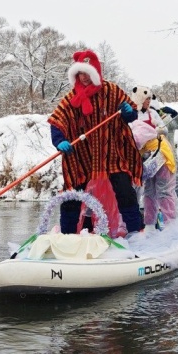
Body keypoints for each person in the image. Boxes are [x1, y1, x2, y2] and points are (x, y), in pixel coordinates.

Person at [48, 49, 144, 236]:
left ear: (96, 73)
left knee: (125, 191)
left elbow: (132, 114)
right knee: (71, 195)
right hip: (81, 154)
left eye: (87, 73)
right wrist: (60, 141)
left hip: (112, 152)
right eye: (80, 73)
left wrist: (127, 112)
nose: (83, 77)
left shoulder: (112, 91)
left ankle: (136, 232)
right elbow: (57, 121)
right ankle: (67, 237)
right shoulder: (71, 99)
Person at [130, 120, 178, 229]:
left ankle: (170, 226)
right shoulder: (137, 127)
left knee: (163, 192)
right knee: (150, 192)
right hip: (154, 157)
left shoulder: (133, 132)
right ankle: (150, 226)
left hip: (161, 158)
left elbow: (135, 146)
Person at [153, 99, 178, 217]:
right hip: (156, 157)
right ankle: (158, 213)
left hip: (171, 156)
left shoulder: (167, 119)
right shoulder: (148, 120)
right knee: (156, 186)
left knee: (177, 183)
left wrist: (174, 113)